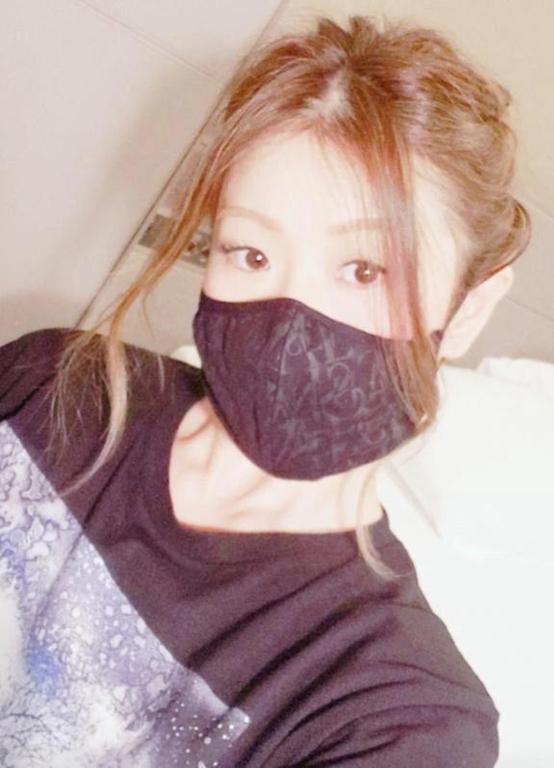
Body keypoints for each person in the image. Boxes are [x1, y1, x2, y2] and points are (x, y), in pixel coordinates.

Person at [0, 13, 530, 767]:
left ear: (468, 307)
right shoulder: (54, 386)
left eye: (364, 270)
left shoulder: (394, 716)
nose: (288, 321)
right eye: (249, 253)